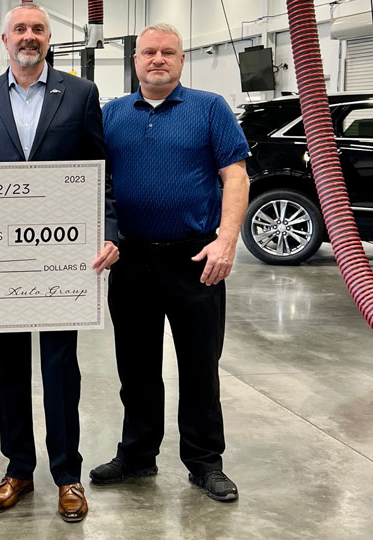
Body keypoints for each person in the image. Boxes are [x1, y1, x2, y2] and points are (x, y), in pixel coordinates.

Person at [0, 3, 119, 522]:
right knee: (7, 369)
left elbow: (101, 172)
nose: (29, 36)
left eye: (38, 29)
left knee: (59, 370)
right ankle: (19, 470)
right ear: (4, 40)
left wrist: (109, 232)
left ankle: (67, 475)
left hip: (61, 262)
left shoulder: (80, 93)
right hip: (0, 262)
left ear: (49, 39)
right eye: (19, 29)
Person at [89, 23, 249, 503]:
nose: (157, 60)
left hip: (195, 257)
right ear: (135, 60)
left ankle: (204, 463)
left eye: (168, 53)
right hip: (132, 258)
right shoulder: (111, 114)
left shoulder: (210, 108)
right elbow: (97, 185)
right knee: (135, 366)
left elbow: (235, 177)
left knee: (201, 365)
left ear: (182, 61)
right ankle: (137, 455)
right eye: (148, 53)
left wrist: (226, 240)